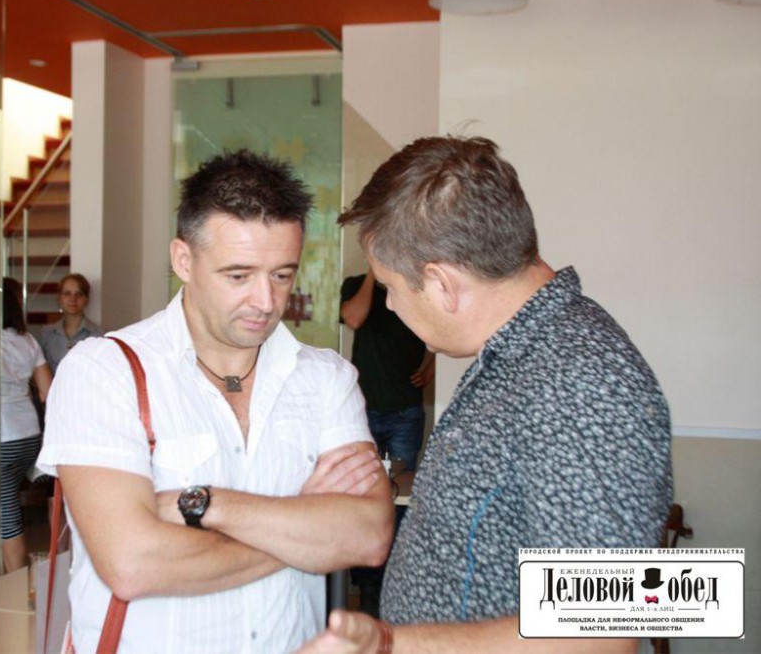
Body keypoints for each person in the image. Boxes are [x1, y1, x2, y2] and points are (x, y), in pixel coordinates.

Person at [299, 136, 673, 653]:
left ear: (441, 283)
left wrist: (387, 644)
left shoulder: (581, 381)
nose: (390, 306)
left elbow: (598, 633)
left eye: (390, 287)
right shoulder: (519, 357)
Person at [36, 150, 395, 652]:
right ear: (183, 260)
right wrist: (304, 528)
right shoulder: (103, 372)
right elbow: (132, 563)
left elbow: (368, 535)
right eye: (238, 275)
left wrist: (207, 506)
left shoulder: (325, 378)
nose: (266, 301)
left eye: (282, 275)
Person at [340, 272, 434, 617]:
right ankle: (366, 585)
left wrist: (431, 366)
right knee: (362, 497)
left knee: (400, 501)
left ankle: (391, 583)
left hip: (405, 411)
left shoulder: (415, 283)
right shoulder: (355, 285)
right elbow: (354, 317)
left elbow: (438, 330)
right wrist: (373, 274)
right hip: (361, 410)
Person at [0, 277, 53, 572]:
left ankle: (16, 583)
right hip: (29, 435)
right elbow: (47, 392)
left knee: (7, 518)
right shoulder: (28, 340)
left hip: (1, 437)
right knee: (7, 507)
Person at [38, 273, 105, 374]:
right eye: (67, 294)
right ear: (59, 298)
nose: (73, 299)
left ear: (87, 299)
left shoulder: (99, 335)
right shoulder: (46, 334)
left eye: (79, 294)